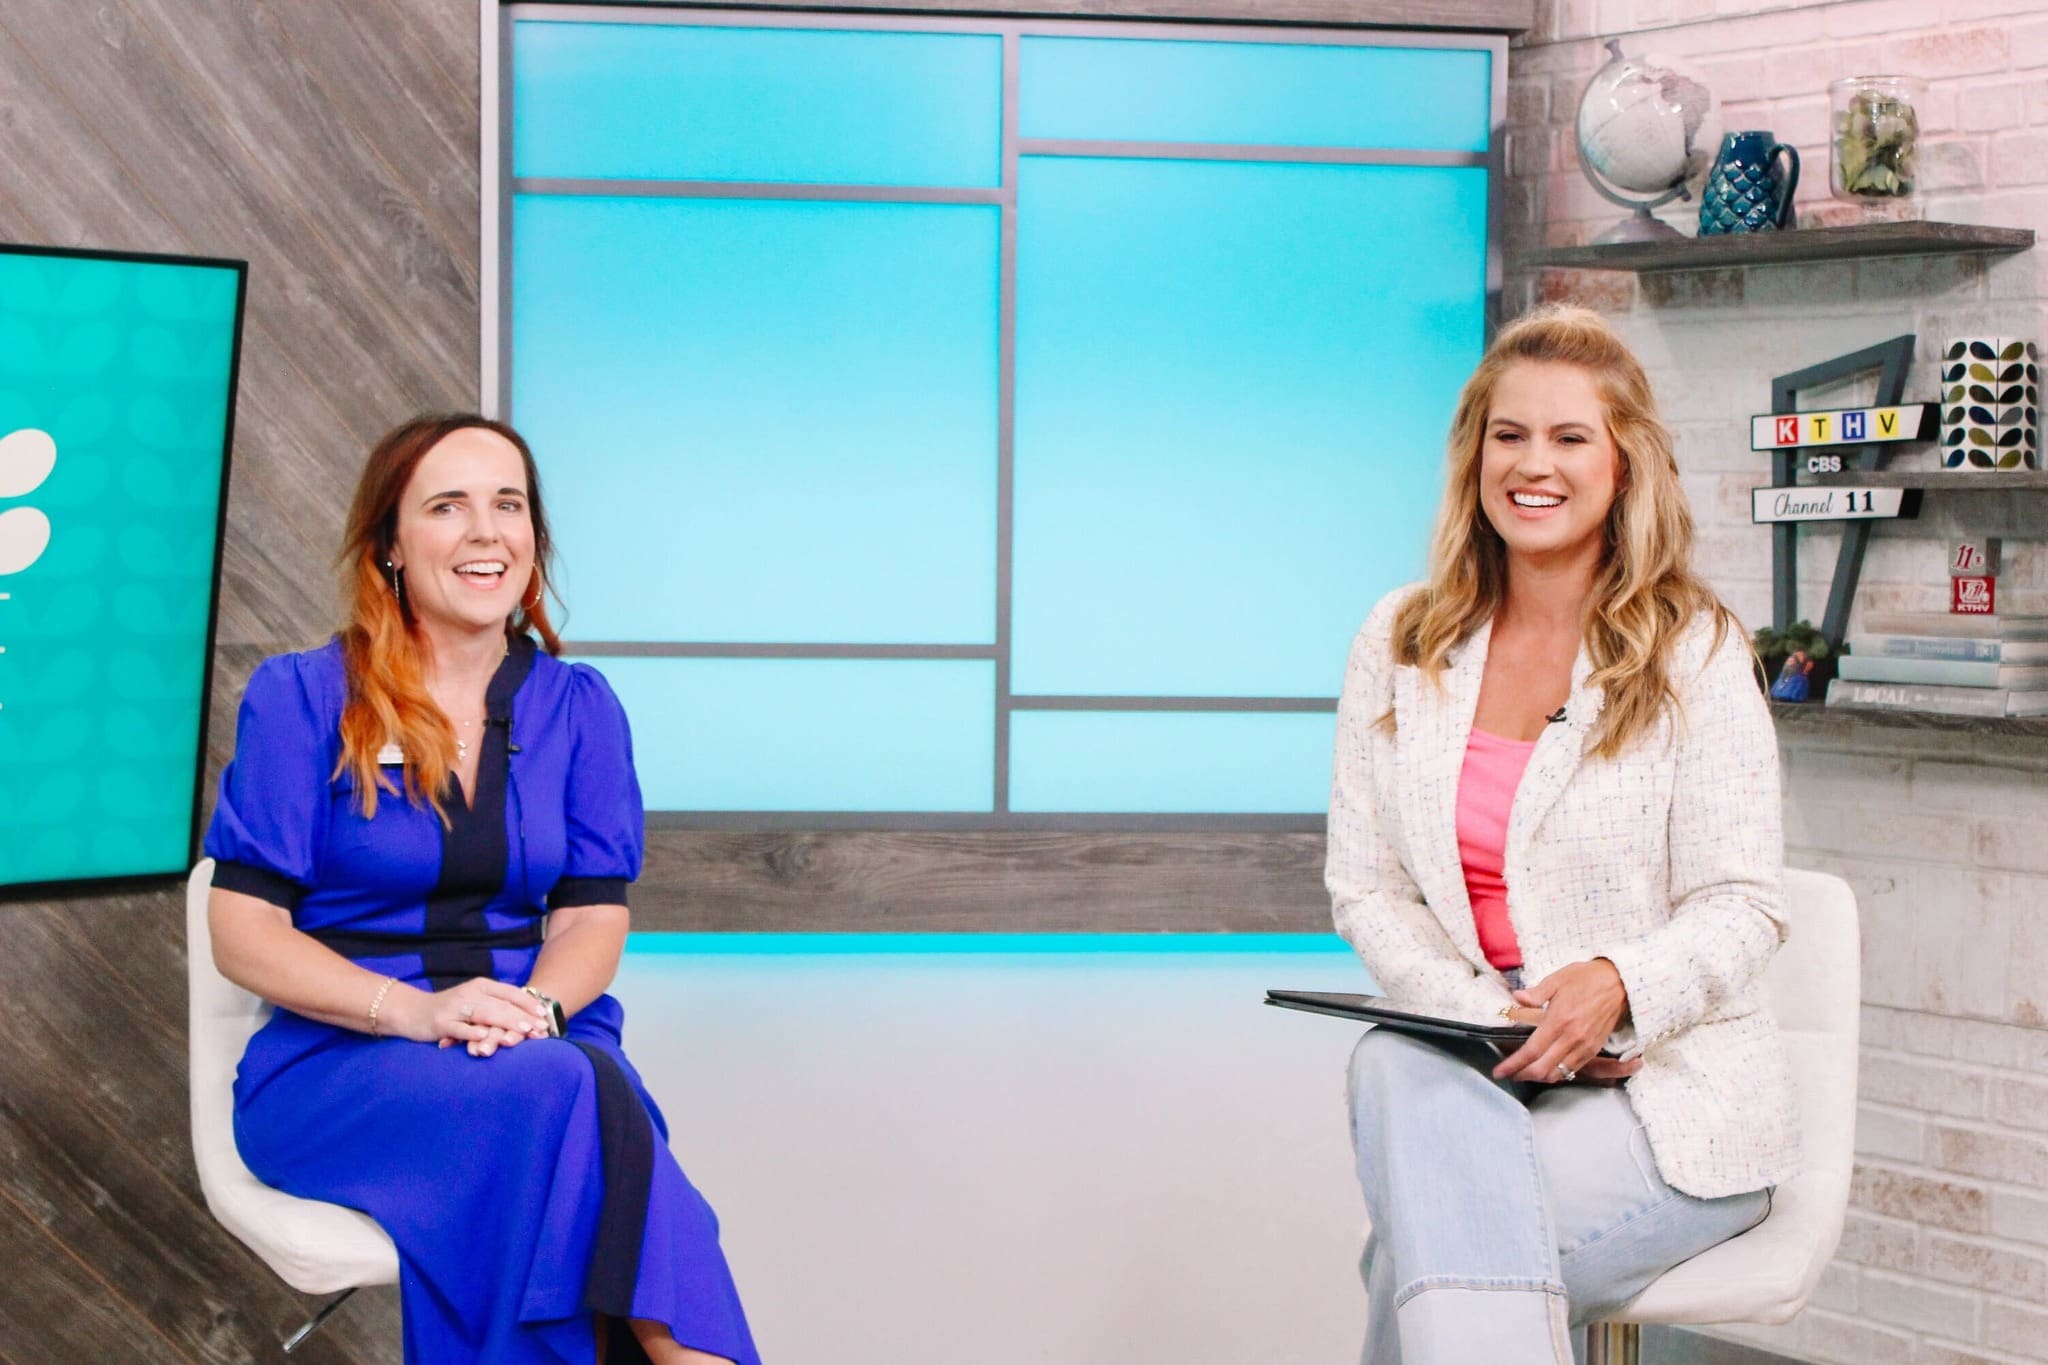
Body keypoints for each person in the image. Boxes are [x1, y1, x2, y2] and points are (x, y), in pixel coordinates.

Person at [205, 414, 759, 1365]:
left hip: (535, 1038)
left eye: (508, 504)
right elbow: (241, 931)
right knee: (578, 1096)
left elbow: (590, 917)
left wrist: (534, 1011)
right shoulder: (302, 697)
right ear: (390, 544)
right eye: (447, 506)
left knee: (568, 1083)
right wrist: (418, 1013)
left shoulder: (580, 708)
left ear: (534, 535)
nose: (485, 531)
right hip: (345, 1061)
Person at [1326, 307, 1800, 1364]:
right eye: (1509, 435)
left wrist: (1613, 989)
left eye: (1568, 437)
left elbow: (1743, 904)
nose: (1532, 465)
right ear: (1475, 456)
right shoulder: (1400, 640)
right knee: (1390, 1060)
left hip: (1666, 1098)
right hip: (1481, 1067)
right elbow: (1367, 888)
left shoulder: (1692, 649)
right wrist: (1502, 1023)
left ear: (1622, 465)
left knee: (1417, 1258)